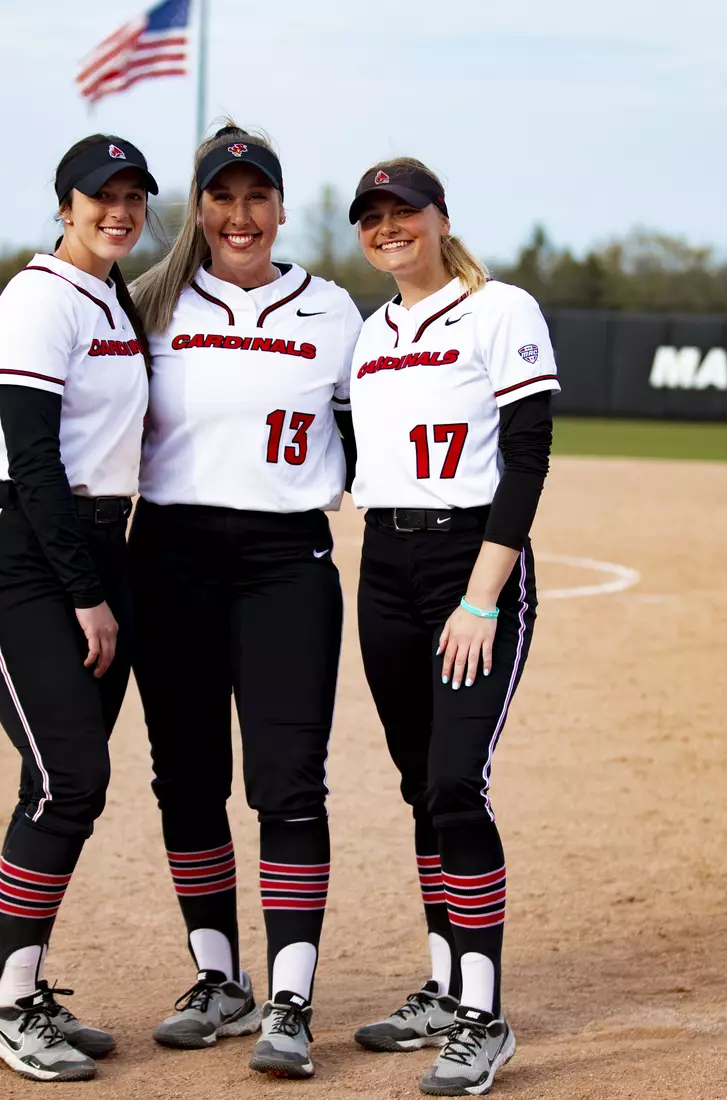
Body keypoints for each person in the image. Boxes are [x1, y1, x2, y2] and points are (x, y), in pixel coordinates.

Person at [129, 123, 362, 1079]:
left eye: (255, 196)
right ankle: (219, 979)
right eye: (221, 198)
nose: (239, 215)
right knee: (186, 778)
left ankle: (292, 1000)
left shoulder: (335, 313)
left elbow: (377, 439)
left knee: (287, 784)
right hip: (170, 558)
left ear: (279, 206)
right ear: (199, 207)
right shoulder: (146, 306)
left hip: (285, 561)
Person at [343, 159, 557, 1096]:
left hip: (472, 565)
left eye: (404, 212)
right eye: (373, 218)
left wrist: (480, 597)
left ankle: (482, 1012)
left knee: (457, 785)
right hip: (384, 566)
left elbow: (528, 459)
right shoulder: (370, 330)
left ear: (439, 217)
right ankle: (439, 984)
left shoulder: (499, 308)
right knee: (419, 788)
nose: (390, 228)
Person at [0, 134, 157, 1083]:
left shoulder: (111, 295)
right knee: (65, 777)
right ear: (65, 204)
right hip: (30, 555)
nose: (118, 210)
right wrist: (85, 592)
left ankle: (19, 985)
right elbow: (34, 458)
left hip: (102, 549)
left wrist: (108, 577)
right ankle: (1, 1003)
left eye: (132, 196)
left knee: (69, 782)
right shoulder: (38, 297)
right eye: (100, 196)